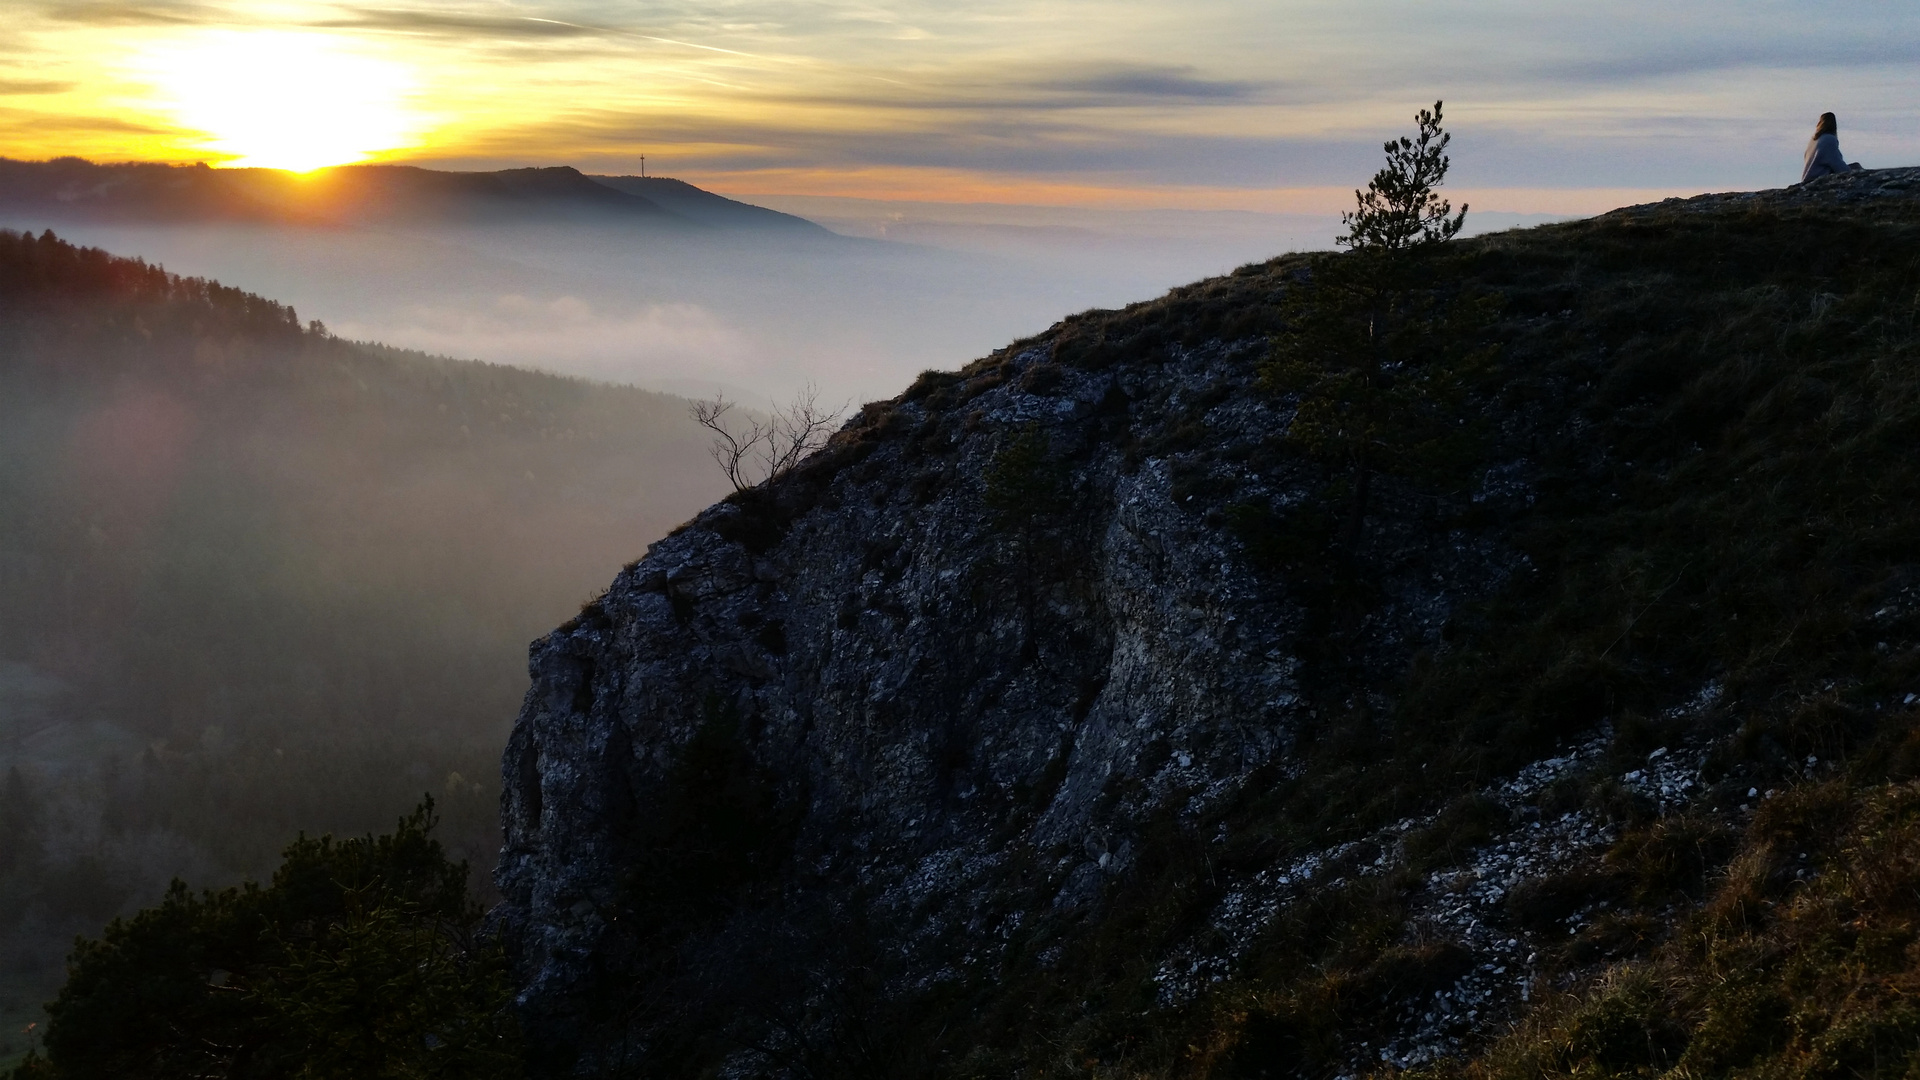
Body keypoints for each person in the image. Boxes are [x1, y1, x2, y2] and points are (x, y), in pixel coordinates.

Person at [1802, 112, 1865, 182]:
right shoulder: (1829, 139)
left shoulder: (1813, 140)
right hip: (1818, 178)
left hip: (1808, 178)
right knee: (1857, 167)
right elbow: (1837, 164)